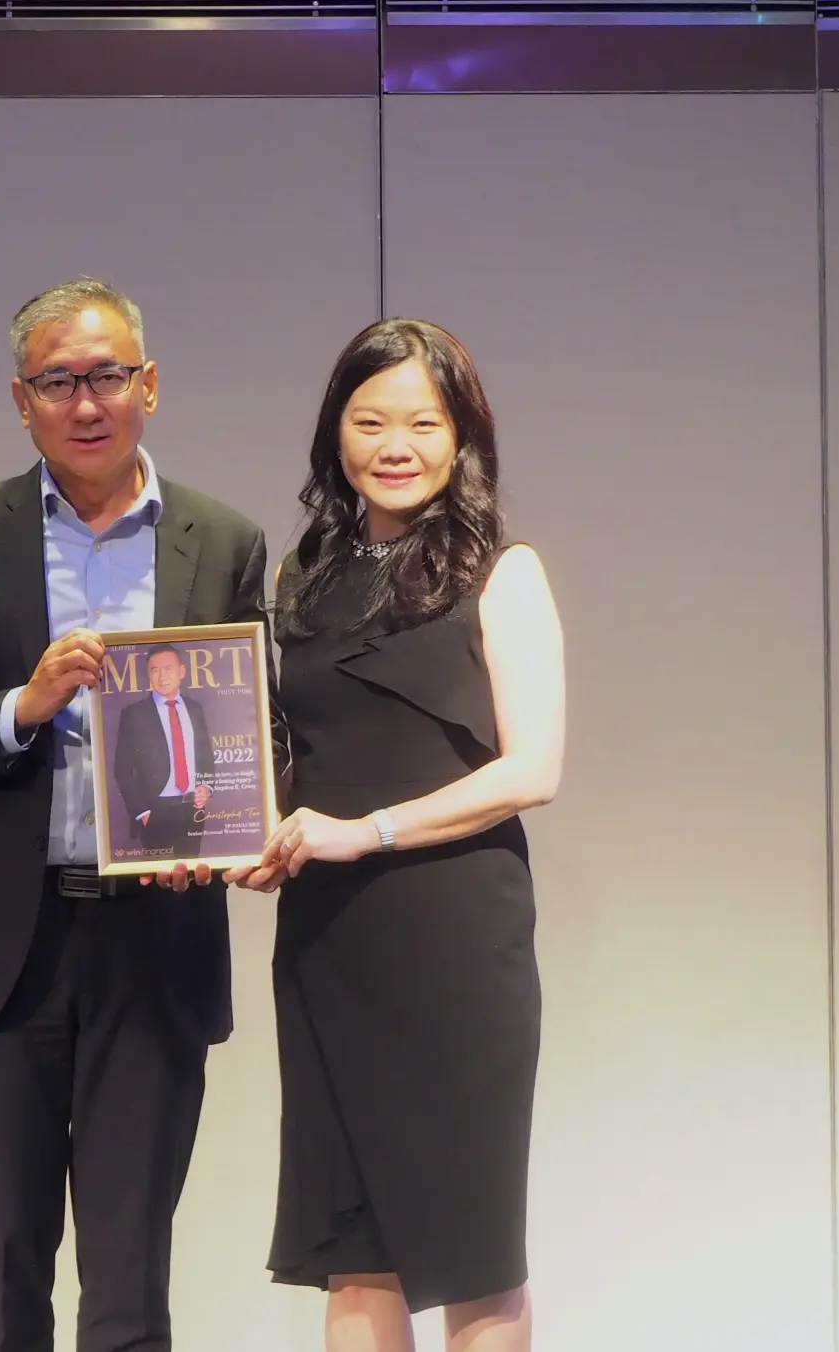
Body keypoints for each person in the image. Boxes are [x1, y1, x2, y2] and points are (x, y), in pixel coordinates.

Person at [0, 278, 270, 1352]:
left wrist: (223, 839)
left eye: (107, 376)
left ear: (150, 386)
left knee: (131, 1275)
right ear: (21, 400)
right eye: (58, 381)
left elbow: (256, 730)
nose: (86, 402)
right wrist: (21, 706)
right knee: (3, 1268)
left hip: (156, 942)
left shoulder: (224, 539)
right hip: (3, 947)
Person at [229, 318, 563, 1352]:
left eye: (423, 423)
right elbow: (295, 751)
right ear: (337, 433)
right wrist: (259, 829)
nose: (396, 445)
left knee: (473, 1248)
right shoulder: (303, 577)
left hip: (456, 939)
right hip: (329, 939)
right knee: (353, 1245)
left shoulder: (504, 572)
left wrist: (364, 832)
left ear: (462, 437)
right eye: (370, 421)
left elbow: (532, 772)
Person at [113, 644, 213, 855]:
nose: (161, 676)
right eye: (155, 670)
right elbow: (122, 769)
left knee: (192, 870)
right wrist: (142, 812)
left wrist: (206, 786)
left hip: (192, 808)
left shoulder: (195, 709)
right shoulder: (134, 714)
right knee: (157, 875)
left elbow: (205, 754)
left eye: (168, 669)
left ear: (182, 671)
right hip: (155, 810)